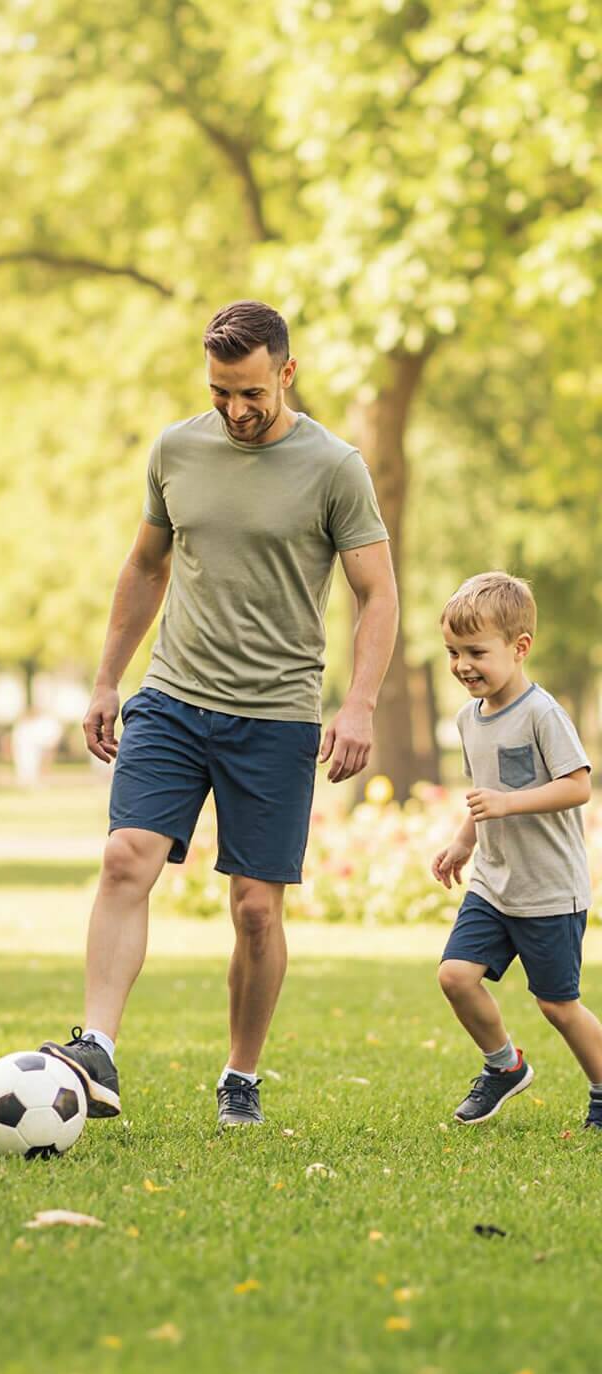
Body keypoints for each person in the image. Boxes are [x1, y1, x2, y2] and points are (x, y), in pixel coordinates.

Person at [40, 300, 399, 1128]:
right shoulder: (176, 449)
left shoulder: (335, 466)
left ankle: (241, 1072)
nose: (236, 411)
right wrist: (106, 681)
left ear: (286, 372)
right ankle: (97, 1047)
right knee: (126, 858)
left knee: (254, 909)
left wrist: (359, 704)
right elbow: (144, 566)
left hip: (276, 715)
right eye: (219, 393)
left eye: (251, 394)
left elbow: (376, 593)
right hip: (173, 697)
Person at [429, 572, 600, 1126]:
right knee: (455, 975)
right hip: (494, 884)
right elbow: (483, 796)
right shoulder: (466, 718)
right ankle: (503, 1066)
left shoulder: (541, 713)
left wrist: (508, 803)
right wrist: (462, 840)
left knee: (556, 1005)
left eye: (476, 651)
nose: (462, 665)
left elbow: (578, 785)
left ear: (519, 647)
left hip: (549, 889)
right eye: (453, 652)